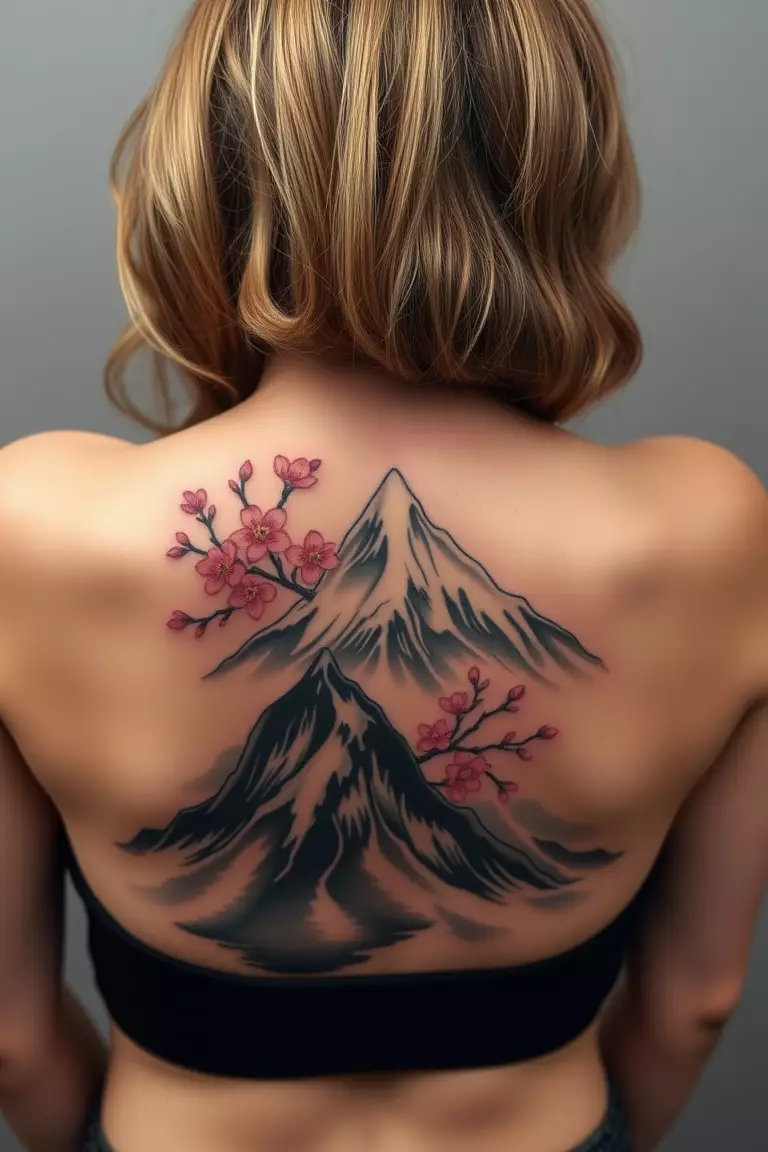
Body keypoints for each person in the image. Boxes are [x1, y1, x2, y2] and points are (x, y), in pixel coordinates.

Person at [0, 1, 766, 1150]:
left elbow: (11, 1036)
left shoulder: (34, 522)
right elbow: (694, 1002)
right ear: (558, 169)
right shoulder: (707, 527)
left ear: (211, 164)